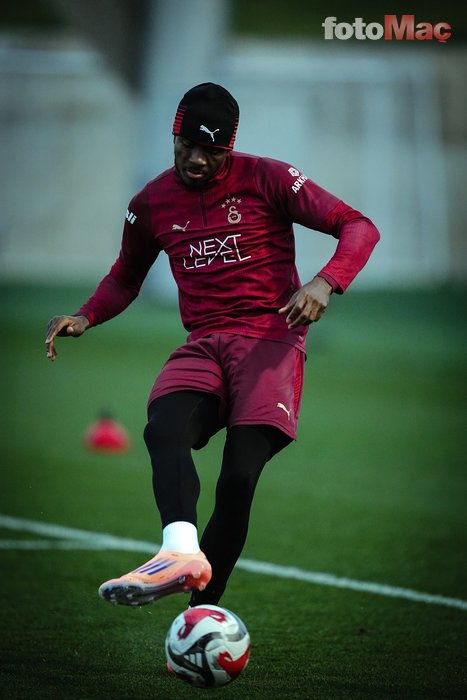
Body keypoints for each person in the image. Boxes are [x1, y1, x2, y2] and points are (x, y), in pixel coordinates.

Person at [45, 83, 380, 609]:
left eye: (212, 150)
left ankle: (201, 611)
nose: (197, 159)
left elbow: (358, 225)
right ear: (174, 137)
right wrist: (86, 315)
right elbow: (126, 276)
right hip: (203, 343)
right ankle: (179, 550)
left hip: (270, 339)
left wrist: (325, 282)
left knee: (238, 477)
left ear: (230, 147)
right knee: (164, 428)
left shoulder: (268, 177)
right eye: (188, 146)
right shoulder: (150, 203)